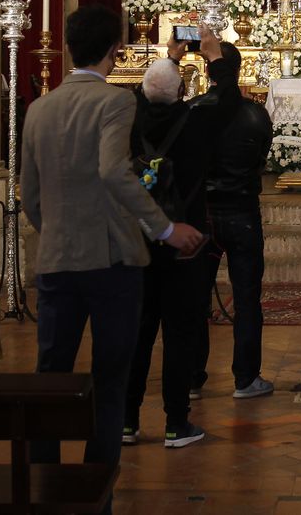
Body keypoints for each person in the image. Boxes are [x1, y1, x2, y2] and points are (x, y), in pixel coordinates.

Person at [22, 4, 202, 499]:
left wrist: (57, 229)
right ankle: (94, 491)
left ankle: (43, 486)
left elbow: (30, 196)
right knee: (108, 379)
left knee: (50, 376)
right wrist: (164, 230)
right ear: (114, 52)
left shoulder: (39, 108)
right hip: (111, 261)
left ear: (67, 47)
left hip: (57, 258)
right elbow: (111, 170)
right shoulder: (115, 103)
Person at [123, 28, 233, 448]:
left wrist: (169, 58)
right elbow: (227, 98)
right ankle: (175, 423)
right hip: (184, 239)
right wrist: (214, 56)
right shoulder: (195, 122)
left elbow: (141, 93)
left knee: (139, 330)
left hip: (140, 237)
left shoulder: (131, 117)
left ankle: (128, 421)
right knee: (181, 331)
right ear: (184, 89)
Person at [195, 43, 276, 400]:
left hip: (203, 213)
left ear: (208, 70)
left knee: (195, 298)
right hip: (242, 210)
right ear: (239, 71)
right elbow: (260, 159)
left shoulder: (194, 111)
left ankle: (191, 377)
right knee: (247, 298)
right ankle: (245, 378)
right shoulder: (256, 115)